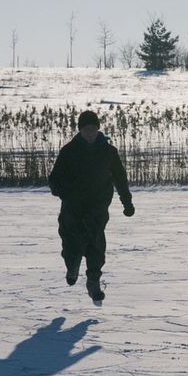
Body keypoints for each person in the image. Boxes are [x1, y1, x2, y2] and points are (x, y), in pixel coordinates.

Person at [48, 110, 135, 303]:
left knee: (96, 244)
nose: (90, 133)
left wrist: (127, 202)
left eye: (93, 129)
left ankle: (93, 282)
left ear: (98, 129)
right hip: (73, 207)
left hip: (97, 207)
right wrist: (64, 193)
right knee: (72, 243)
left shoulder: (108, 152)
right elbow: (55, 179)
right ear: (80, 130)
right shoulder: (69, 151)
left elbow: (120, 178)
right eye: (86, 129)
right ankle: (72, 265)